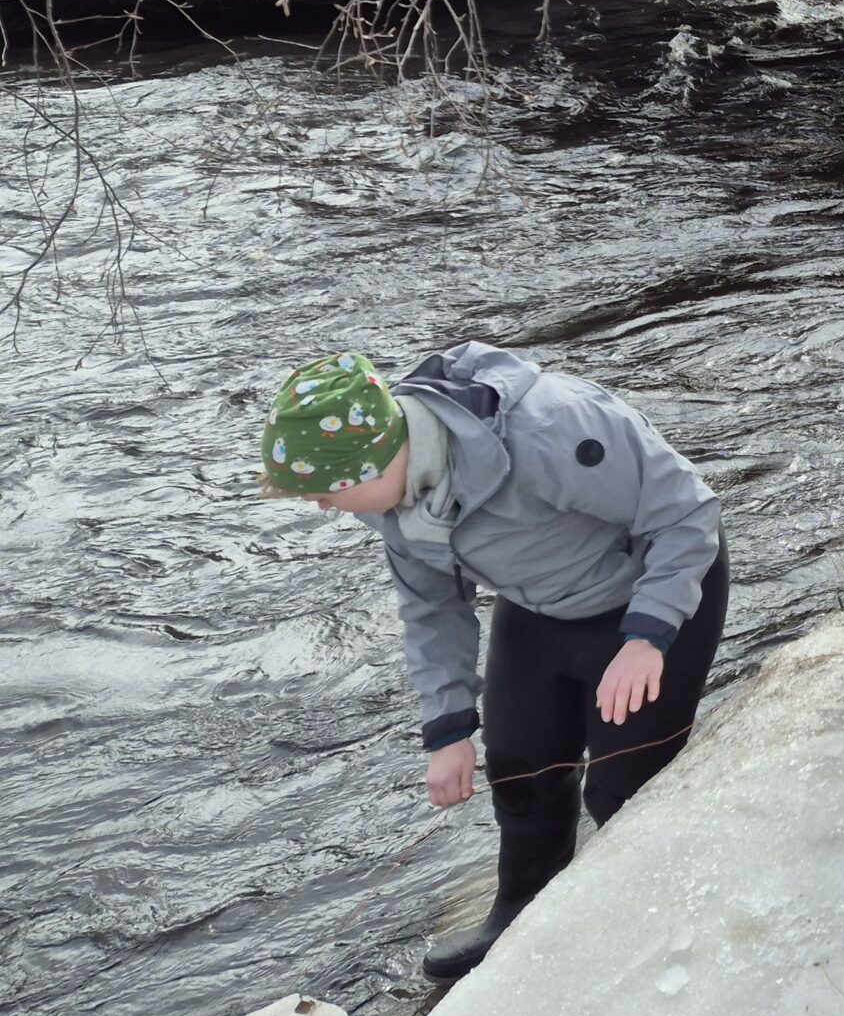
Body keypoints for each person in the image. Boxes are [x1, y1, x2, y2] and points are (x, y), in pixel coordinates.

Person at [258, 345, 727, 978]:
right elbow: (432, 609)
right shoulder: (388, 495)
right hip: (539, 604)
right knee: (518, 765)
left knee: (622, 787)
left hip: (654, 591)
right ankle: (521, 916)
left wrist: (647, 637)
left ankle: (648, 926)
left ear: (371, 460)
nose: (321, 506)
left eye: (326, 492)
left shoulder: (548, 431)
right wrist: (447, 728)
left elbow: (687, 512)